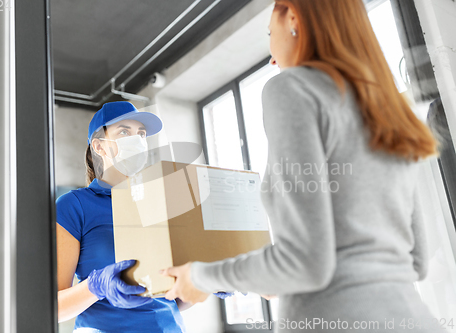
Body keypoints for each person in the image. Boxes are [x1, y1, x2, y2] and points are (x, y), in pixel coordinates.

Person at [162, 0, 445, 332]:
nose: (271, 57)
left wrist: (200, 276)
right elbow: (414, 262)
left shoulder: (291, 88)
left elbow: (305, 262)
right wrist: (274, 274)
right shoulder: (387, 109)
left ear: (293, 17)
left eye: (271, 32)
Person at [56, 101, 188, 332]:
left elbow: (167, 299)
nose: (137, 140)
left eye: (142, 134)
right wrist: (95, 287)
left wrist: (205, 282)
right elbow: (53, 308)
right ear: (99, 146)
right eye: (124, 131)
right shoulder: (74, 205)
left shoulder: (159, 203)